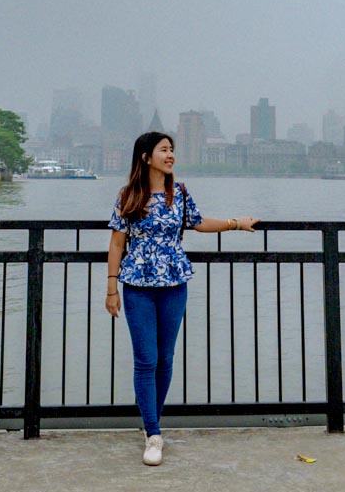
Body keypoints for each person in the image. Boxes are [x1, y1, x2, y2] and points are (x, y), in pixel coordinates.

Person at [106, 130, 259, 466]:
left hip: (174, 284)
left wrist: (236, 223)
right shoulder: (128, 196)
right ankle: (154, 432)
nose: (171, 155)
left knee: (166, 359)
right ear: (146, 157)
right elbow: (117, 243)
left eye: (172, 149)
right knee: (146, 359)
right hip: (138, 286)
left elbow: (199, 223)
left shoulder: (181, 193)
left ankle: (151, 424)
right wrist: (111, 287)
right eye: (164, 150)